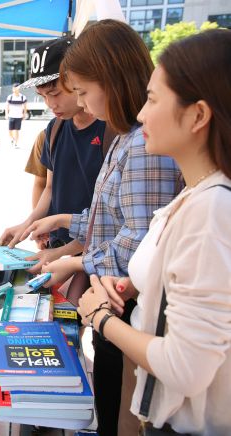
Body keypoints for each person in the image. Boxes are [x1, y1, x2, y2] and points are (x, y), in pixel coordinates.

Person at [22, 20, 183, 436]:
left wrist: (74, 262)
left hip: (125, 302)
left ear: (110, 81)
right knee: (109, 393)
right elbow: (106, 216)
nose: (83, 104)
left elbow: (138, 241)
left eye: (81, 92)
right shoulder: (125, 137)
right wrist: (61, 221)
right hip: (114, 296)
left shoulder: (143, 146)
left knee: (119, 403)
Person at [78, 29, 231, 435]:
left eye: (153, 99)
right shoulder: (198, 195)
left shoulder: (211, 209)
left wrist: (100, 316)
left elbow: (185, 368)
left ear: (198, 115)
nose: (142, 114)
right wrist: (132, 284)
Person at [0, 36, 107, 272]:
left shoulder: (109, 129)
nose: (50, 103)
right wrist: (27, 225)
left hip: (97, 252)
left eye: (55, 93)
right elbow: (49, 187)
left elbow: (110, 218)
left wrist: (60, 254)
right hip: (59, 244)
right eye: (43, 96)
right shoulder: (55, 128)